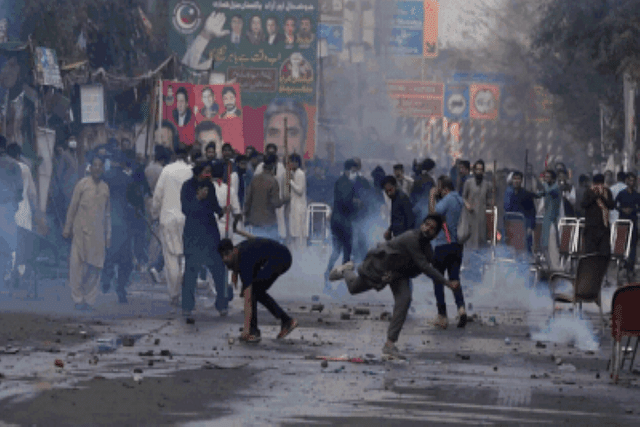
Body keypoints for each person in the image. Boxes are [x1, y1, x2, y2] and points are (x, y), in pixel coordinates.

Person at [328, 214, 460, 359]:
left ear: (435, 235)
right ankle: (346, 270)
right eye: (426, 224)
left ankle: (389, 345)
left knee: (404, 299)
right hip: (380, 264)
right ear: (421, 224)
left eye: (432, 228)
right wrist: (447, 283)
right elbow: (424, 267)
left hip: (397, 274)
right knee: (353, 288)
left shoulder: (428, 250)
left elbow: (427, 267)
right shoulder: (411, 238)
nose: (427, 228)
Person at [218, 237, 298, 343]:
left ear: (234, 251)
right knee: (255, 290)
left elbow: (248, 299)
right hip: (274, 257)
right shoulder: (238, 253)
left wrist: (245, 329)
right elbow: (236, 261)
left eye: (227, 254)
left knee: (254, 291)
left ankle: (253, 331)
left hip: (281, 257)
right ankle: (282, 321)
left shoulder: (244, 259)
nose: (225, 259)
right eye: (222, 256)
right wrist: (235, 272)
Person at [181, 161, 231, 320]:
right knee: (191, 271)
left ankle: (222, 304)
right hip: (193, 235)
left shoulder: (210, 187)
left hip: (209, 233)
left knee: (219, 270)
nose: (208, 175)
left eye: (210, 172)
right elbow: (186, 209)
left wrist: (223, 210)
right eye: (205, 171)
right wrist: (198, 197)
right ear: (198, 172)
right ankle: (187, 306)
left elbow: (215, 208)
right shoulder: (187, 186)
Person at [63, 156, 111, 311]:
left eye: (100, 165)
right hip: (80, 233)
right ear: (90, 168)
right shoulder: (82, 185)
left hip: (98, 235)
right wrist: (67, 227)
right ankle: (78, 299)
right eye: (94, 165)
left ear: (103, 169)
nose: (97, 168)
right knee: (77, 266)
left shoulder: (105, 188)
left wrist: (108, 235)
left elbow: (108, 214)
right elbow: (73, 207)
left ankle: (89, 299)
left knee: (95, 268)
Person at [152, 147, 193, 307]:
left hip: (168, 218)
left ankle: (174, 294)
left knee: (171, 258)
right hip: (187, 218)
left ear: (175, 156)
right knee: (186, 256)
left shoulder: (167, 170)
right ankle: (186, 290)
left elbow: (158, 195)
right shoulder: (191, 171)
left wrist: (154, 213)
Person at [431, 176, 467, 329]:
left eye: (439, 188)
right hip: (457, 246)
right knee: (454, 279)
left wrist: (432, 196)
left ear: (444, 188)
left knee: (438, 279)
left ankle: (442, 315)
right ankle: (461, 309)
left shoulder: (447, 200)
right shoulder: (460, 199)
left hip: (443, 244)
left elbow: (433, 215)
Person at [100, 154, 135, 304]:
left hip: (107, 220)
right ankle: (121, 288)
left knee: (109, 254)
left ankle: (106, 279)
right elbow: (134, 202)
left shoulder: (104, 177)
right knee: (125, 260)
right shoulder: (128, 179)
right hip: (124, 223)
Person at [324, 160, 358, 291]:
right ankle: (344, 284)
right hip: (344, 223)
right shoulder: (347, 183)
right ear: (348, 170)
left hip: (337, 221)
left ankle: (327, 275)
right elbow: (345, 202)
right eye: (354, 171)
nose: (355, 173)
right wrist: (355, 203)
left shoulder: (340, 181)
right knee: (346, 253)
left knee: (336, 251)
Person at [244, 155, 289, 239]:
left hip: (255, 221)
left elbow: (248, 200)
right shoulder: (273, 181)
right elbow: (276, 203)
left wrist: (246, 216)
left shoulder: (255, 179)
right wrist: (285, 200)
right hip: (268, 222)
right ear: (273, 168)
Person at [0, 136, 23, 289]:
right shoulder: (14, 164)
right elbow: (20, 189)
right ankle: (4, 279)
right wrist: (14, 205)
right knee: (7, 246)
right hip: (7, 208)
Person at [462, 160, 493, 251]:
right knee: (470, 239)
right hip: (470, 215)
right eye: (477, 169)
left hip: (481, 216)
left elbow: (489, 199)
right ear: (474, 170)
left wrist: (490, 203)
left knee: (481, 239)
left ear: (483, 171)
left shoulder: (487, 184)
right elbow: (463, 197)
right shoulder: (468, 182)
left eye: (481, 169)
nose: (479, 171)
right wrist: (467, 204)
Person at [581, 173, 614, 256]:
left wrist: (602, 197)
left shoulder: (607, 192)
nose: (599, 187)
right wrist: (595, 196)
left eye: (601, 184)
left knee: (604, 252)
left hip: (603, 227)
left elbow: (611, 205)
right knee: (591, 252)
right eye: (597, 184)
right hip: (591, 226)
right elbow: (583, 204)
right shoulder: (589, 192)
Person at [503, 171, 537, 252]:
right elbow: (506, 209)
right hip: (511, 226)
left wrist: (530, 227)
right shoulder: (509, 194)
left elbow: (532, 212)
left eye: (518, 179)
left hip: (524, 227)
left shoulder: (526, 195)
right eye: (514, 179)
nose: (516, 181)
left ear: (521, 181)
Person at [615, 172, 640, 279]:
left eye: (633, 180)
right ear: (626, 181)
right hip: (622, 222)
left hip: (633, 222)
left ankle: (630, 267)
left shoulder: (637, 195)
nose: (631, 182)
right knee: (621, 244)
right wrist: (622, 209)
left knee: (633, 246)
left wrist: (633, 210)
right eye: (629, 180)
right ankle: (620, 266)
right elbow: (614, 204)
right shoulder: (621, 193)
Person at [382, 176, 415, 241]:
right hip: (398, 236)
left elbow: (410, 219)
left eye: (390, 190)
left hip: (404, 236)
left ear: (395, 186)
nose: (389, 193)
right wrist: (389, 230)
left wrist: (407, 236)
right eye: (386, 191)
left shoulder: (402, 198)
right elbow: (395, 218)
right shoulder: (394, 198)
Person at [538, 169, 561, 253]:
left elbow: (548, 191)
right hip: (547, 218)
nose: (546, 179)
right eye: (545, 177)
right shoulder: (547, 188)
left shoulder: (555, 188)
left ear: (553, 179)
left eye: (548, 177)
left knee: (552, 242)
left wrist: (543, 183)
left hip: (554, 219)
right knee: (545, 243)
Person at [287, 153, 307, 250]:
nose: (289, 164)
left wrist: (290, 182)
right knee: (293, 230)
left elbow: (299, 190)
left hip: (299, 206)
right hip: (294, 205)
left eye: (291, 162)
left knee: (299, 231)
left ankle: (300, 250)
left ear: (296, 163)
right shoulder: (293, 173)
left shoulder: (300, 174)